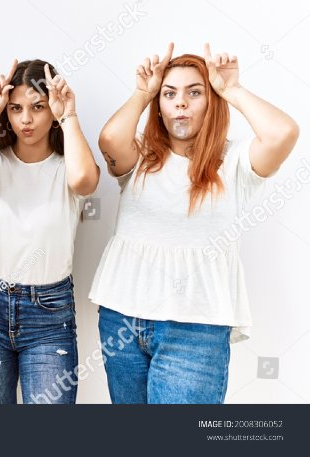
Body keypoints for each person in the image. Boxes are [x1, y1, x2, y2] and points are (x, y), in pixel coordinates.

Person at [90, 43, 300, 404]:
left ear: (211, 101)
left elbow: (283, 133)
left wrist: (232, 90)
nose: (181, 103)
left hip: (196, 329)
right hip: (122, 318)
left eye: (194, 92)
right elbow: (109, 139)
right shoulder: (140, 157)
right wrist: (143, 92)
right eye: (170, 94)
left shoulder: (233, 162)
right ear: (159, 104)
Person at [0, 59, 99, 404]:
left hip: (49, 314)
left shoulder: (68, 166)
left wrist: (68, 114)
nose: (26, 119)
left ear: (51, 111)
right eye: (16, 108)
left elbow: (85, 182)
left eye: (38, 108)